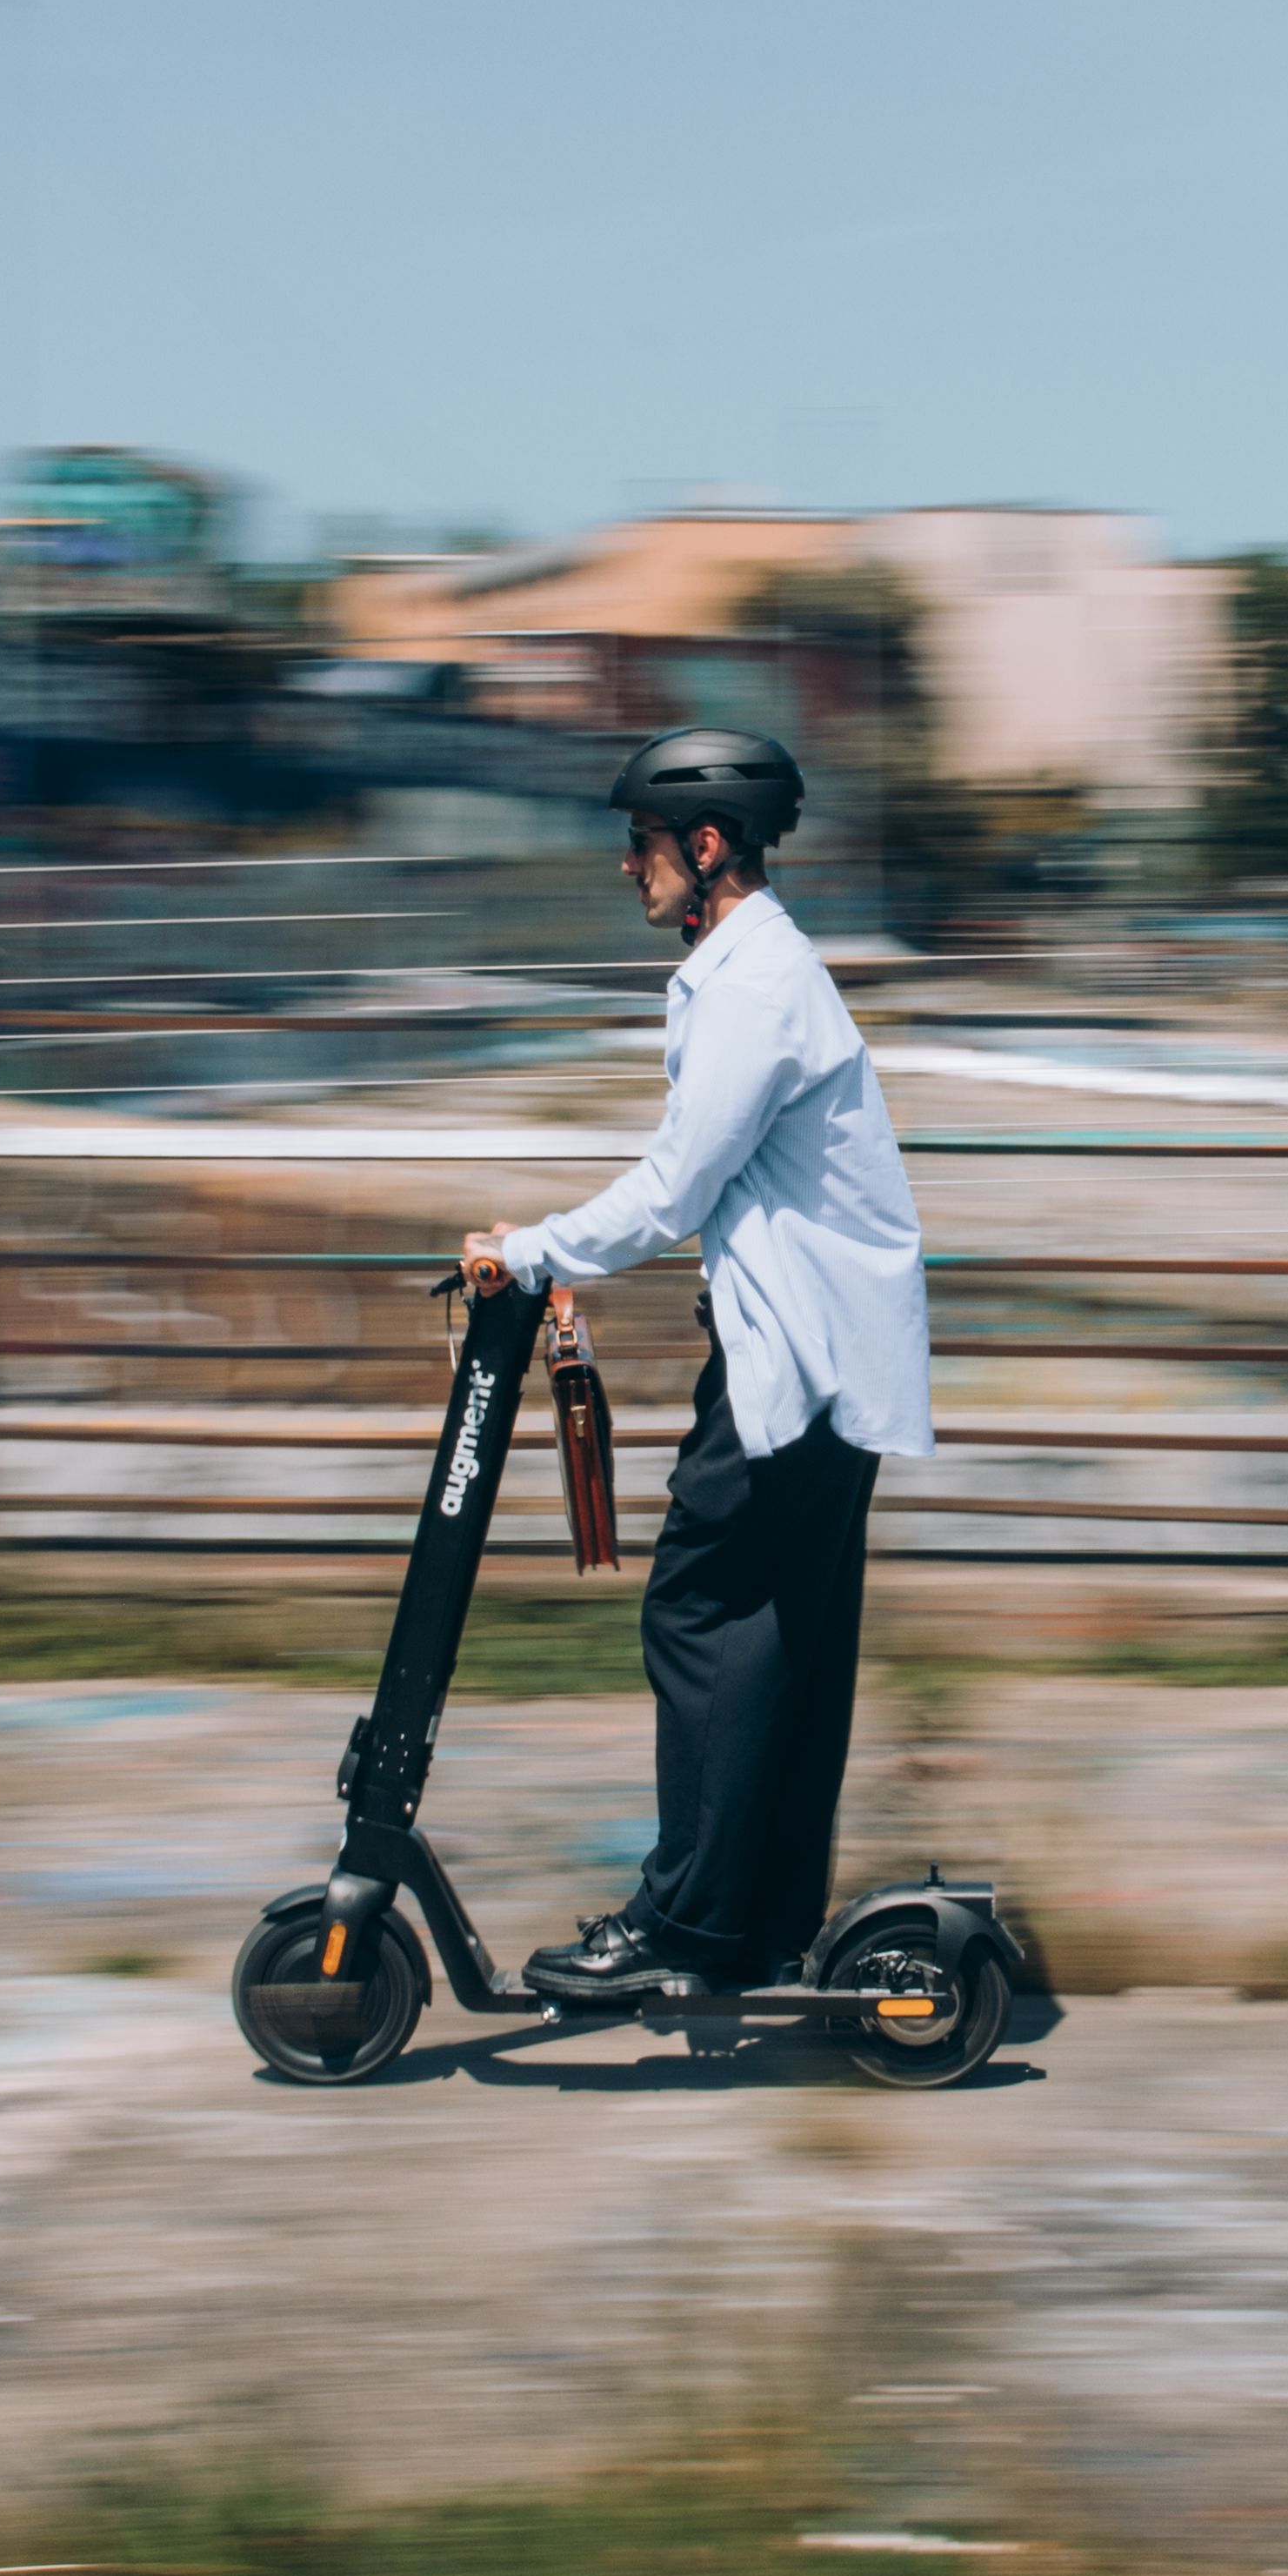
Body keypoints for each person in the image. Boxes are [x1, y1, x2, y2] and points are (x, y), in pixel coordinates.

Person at [459, 724, 932, 2003]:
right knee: (784, 1637)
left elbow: (679, 1185)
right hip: (822, 1363)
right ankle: (761, 1918)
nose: (630, 867)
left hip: (799, 1371)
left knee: (700, 1610)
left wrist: (532, 1250)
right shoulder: (759, 973)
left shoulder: (752, 987)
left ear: (705, 844)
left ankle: (684, 1920)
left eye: (643, 843)